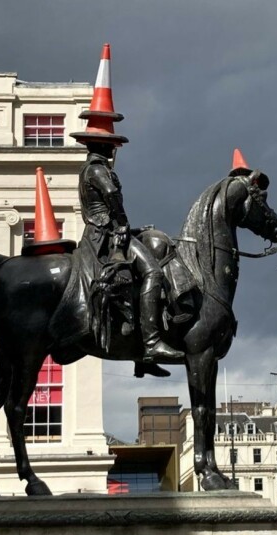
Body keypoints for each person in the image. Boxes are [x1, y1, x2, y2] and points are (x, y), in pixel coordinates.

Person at [70, 43, 184, 363]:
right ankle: (151, 342)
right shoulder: (99, 170)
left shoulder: (88, 169)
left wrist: (130, 227)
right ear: (107, 145)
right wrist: (123, 226)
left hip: (100, 233)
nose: (114, 150)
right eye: (113, 144)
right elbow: (113, 201)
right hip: (105, 239)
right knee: (153, 274)